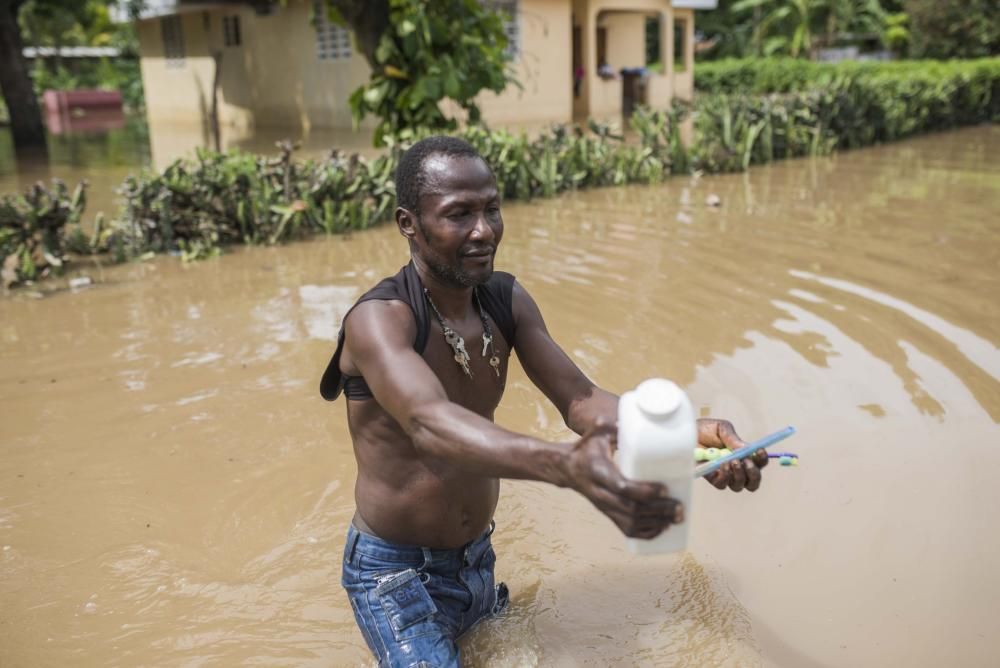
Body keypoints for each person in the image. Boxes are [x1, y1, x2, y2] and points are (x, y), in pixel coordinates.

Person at [319, 136, 768, 667]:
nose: (483, 229)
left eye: (491, 208)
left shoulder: (504, 300)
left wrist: (686, 434)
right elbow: (429, 424)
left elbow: (580, 401)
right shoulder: (380, 320)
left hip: (475, 559)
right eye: (458, 214)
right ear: (408, 224)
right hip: (395, 575)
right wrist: (564, 466)